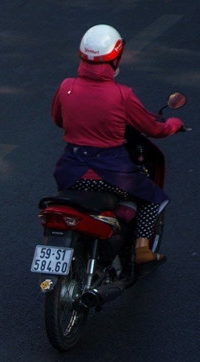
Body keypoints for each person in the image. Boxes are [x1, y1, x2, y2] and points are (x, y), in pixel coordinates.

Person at [51, 24, 185, 264]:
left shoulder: (66, 87)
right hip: (111, 175)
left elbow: (59, 120)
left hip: (69, 173)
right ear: (115, 59)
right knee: (153, 196)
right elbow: (154, 129)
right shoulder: (121, 94)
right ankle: (141, 250)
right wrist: (173, 123)